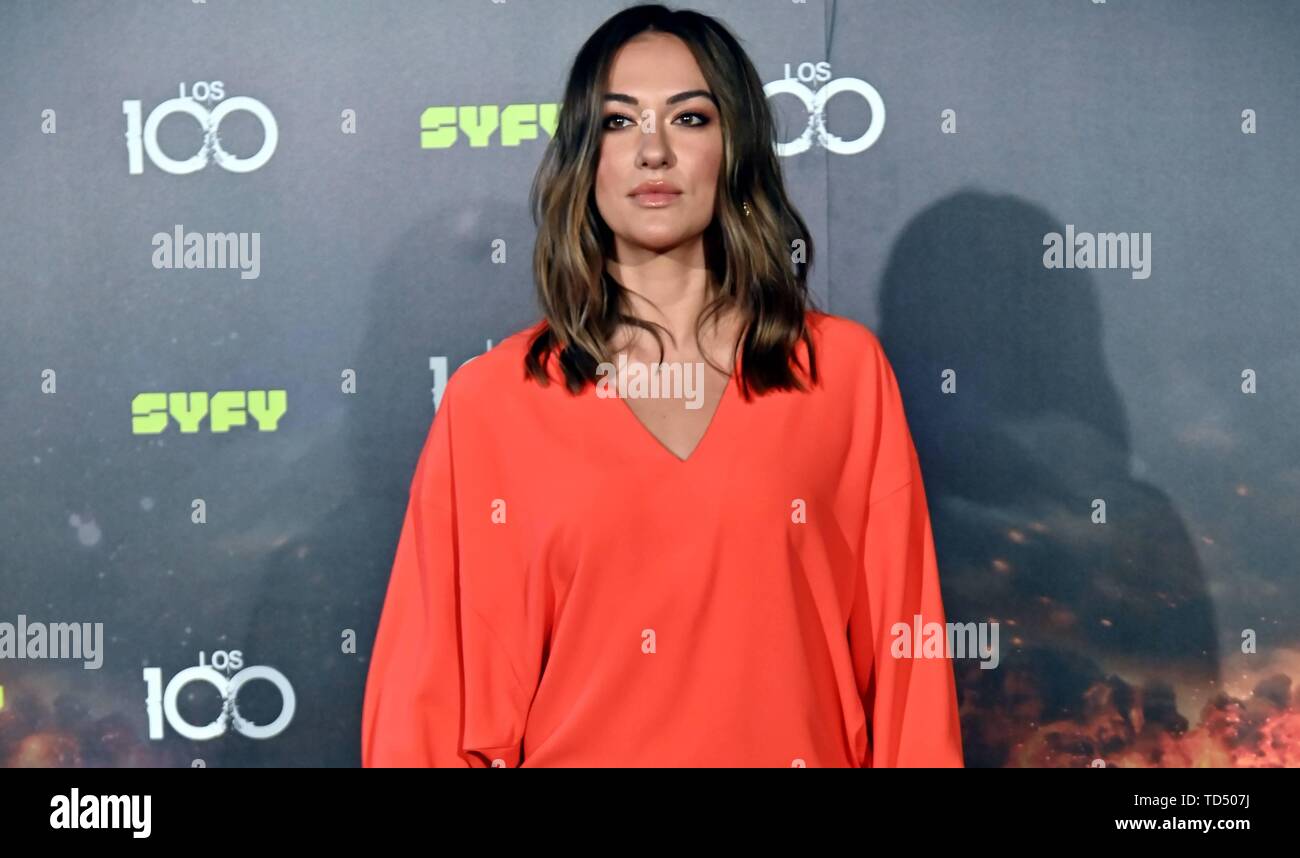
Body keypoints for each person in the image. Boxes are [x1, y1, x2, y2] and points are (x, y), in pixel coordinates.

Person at [361, 3, 963, 767]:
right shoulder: (492, 402)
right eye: (618, 122)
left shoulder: (841, 375)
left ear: (733, 146)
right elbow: (425, 708)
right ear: (586, 156)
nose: (653, 151)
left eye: (689, 118)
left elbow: (908, 677)